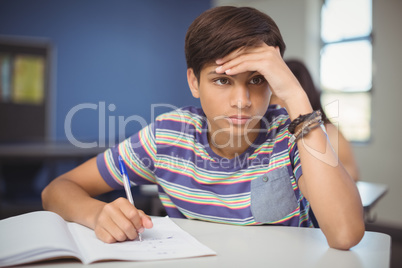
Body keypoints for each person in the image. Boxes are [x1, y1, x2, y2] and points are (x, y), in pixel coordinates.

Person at [42, 6, 364, 250]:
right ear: (194, 82)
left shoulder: (292, 137)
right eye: (222, 81)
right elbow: (57, 190)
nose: (242, 100)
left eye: (257, 80)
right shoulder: (168, 135)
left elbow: (346, 233)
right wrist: (96, 214)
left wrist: (295, 95)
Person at [270, 59, 360, 181]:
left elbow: (352, 175)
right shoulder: (271, 134)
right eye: (274, 96)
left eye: (285, 96)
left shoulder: (329, 132)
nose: (278, 103)